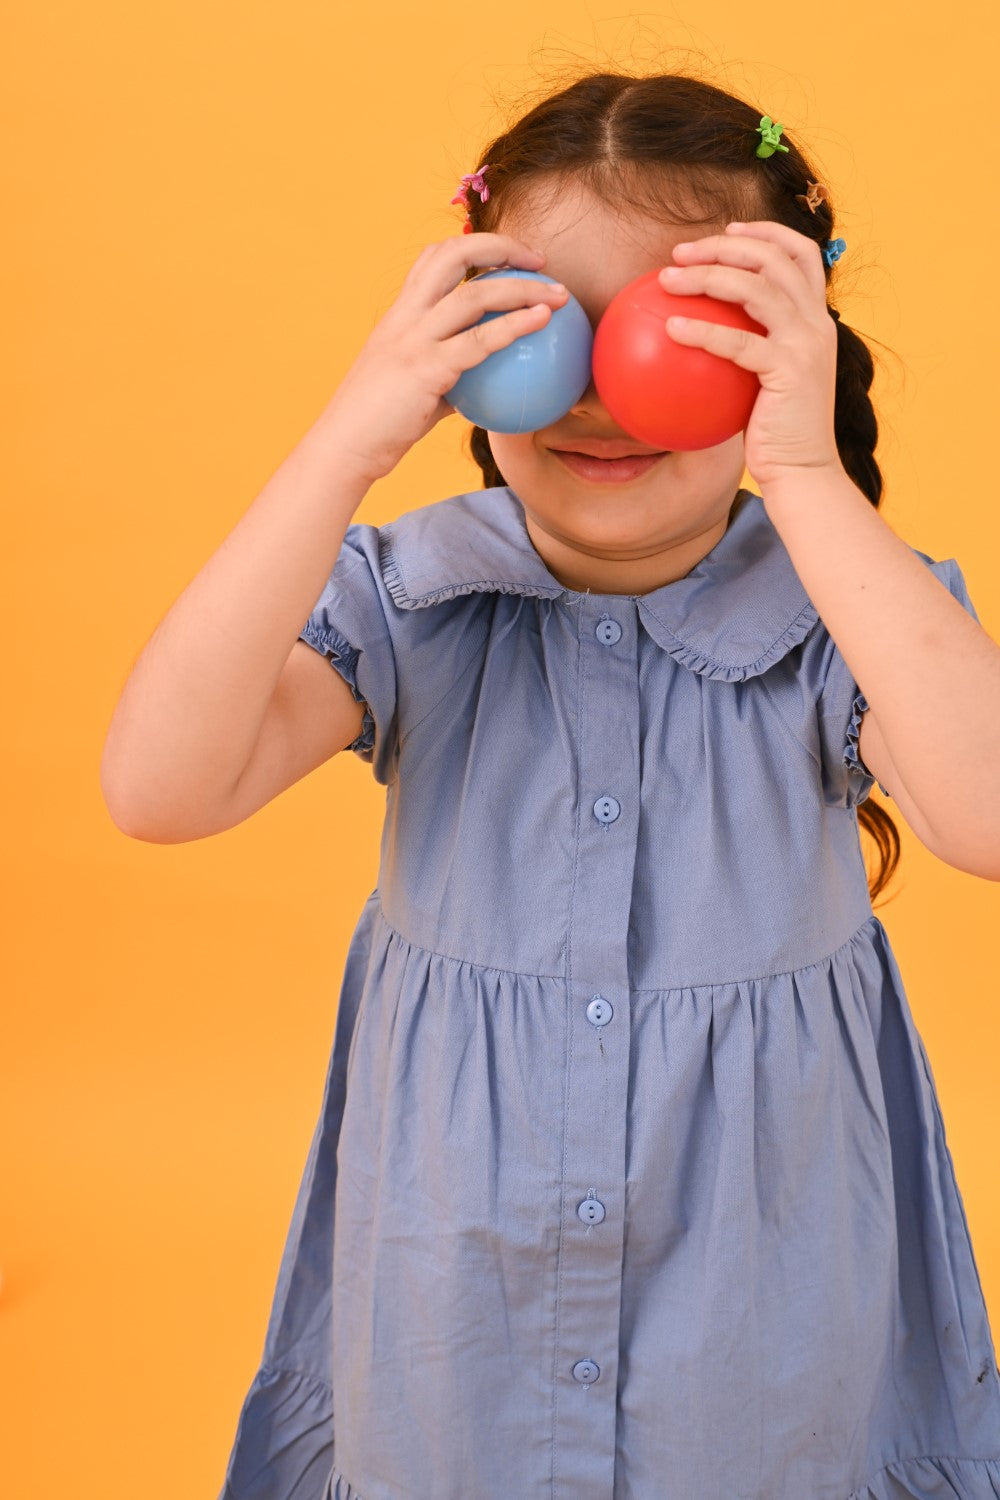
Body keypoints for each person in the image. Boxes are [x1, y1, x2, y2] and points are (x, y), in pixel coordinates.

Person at [99, 69, 1000, 1500]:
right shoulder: (412, 603)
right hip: (465, 1303)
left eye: (673, 332)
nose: (596, 394)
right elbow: (157, 787)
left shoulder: (848, 614)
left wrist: (807, 473)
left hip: (757, 1309)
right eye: (538, 326)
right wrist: (350, 437)